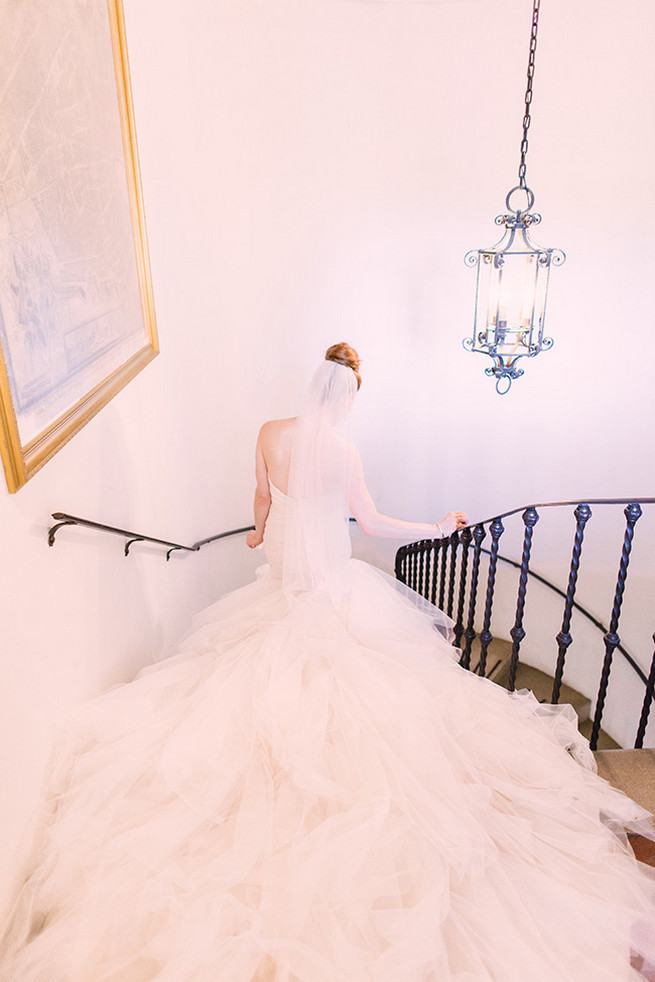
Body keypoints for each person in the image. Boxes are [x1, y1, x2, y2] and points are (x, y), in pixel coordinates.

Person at [1, 343, 654, 982]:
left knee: (240, 703)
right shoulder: (342, 452)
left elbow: (260, 502)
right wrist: (437, 526)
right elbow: (369, 525)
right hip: (334, 598)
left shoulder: (268, 433)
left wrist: (259, 534)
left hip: (281, 587)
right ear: (346, 397)